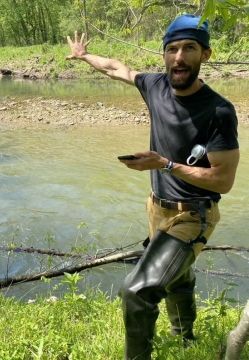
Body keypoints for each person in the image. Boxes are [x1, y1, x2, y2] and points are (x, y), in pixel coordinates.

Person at [66, 14, 239, 360]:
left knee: (136, 290)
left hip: (193, 215)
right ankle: (185, 339)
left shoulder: (219, 110)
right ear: (163, 55)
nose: (179, 57)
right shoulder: (156, 86)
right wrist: (85, 56)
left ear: (205, 55)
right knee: (176, 276)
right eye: (172, 48)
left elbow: (223, 180)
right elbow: (118, 68)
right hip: (156, 207)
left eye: (189, 48)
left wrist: (165, 164)